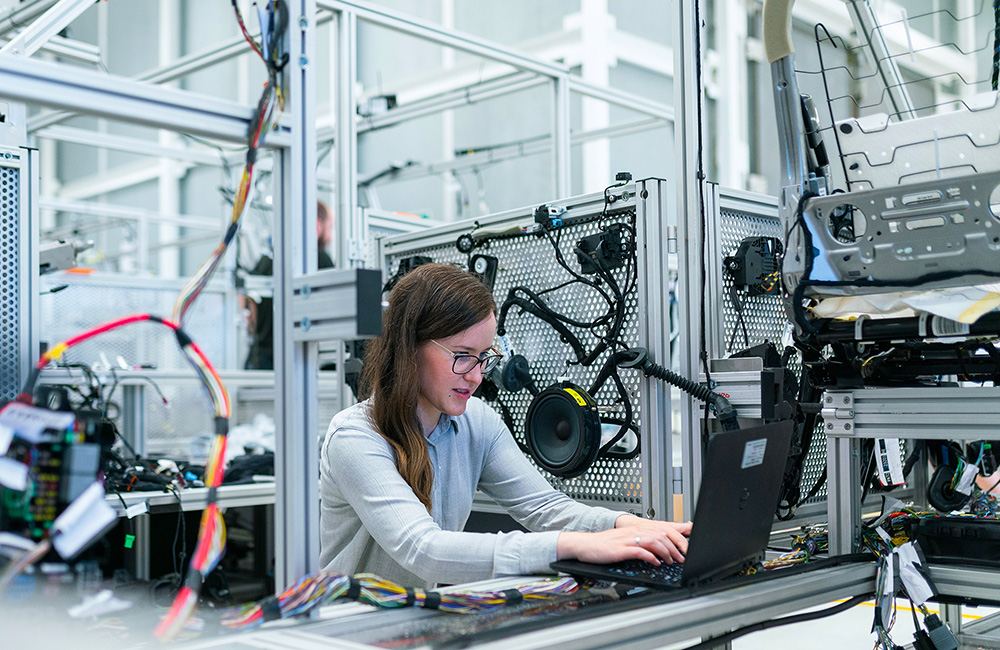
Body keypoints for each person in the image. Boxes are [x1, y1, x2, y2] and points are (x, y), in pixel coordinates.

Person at [319, 262, 691, 587]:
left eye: (484, 357)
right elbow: (424, 549)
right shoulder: (356, 437)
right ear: (409, 347)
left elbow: (546, 508)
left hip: (416, 621)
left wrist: (629, 527)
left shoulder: (476, 422)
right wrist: (573, 546)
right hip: (349, 632)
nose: (477, 376)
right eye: (463, 356)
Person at [243, 201, 335, 370]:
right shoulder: (319, 259)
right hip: (297, 360)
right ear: (317, 225)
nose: (331, 235)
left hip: (260, 360)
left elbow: (248, 307)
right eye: (331, 227)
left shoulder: (268, 260)